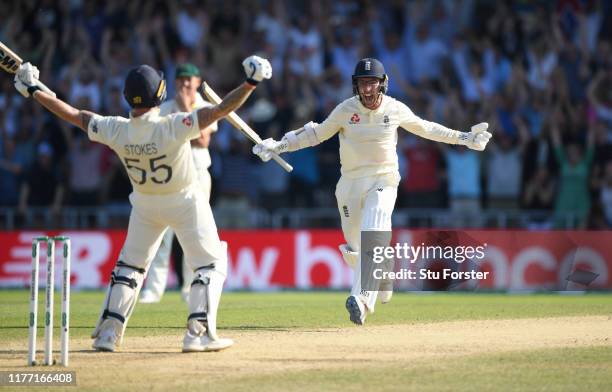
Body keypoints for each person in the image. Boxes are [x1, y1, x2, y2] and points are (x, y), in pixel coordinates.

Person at [14, 55, 272, 351]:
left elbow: (72, 114)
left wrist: (34, 89)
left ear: (127, 96)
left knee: (130, 268)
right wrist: (251, 83)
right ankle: (196, 334)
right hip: (185, 199)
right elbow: (221, 109)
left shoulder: (116, 128)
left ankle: (109, 334)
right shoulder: (173, 125)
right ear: (161, 94)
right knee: (210, 264)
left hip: (145, 205)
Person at [253, 58, 491, 325]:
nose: (367, 89)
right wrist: (278, 146)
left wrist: (465, 138)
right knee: (355, 247)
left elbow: (427, 128)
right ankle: (383, 269)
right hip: (350, 183)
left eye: (372, 83)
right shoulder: (345, 110)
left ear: (382, 84)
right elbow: (315, 134)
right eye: (362, 83)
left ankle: (362, 299)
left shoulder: (395, 108)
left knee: (374, 225)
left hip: (384, 177)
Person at [139, 63, 219, 304]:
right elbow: (161, 143)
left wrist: (185, 109)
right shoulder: (163, 109)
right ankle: (153, 290)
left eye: (189, 80)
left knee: (194, 234)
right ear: (175, 83)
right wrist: (184, 128)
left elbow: (203, 141)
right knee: (163, 235)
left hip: (197, 175)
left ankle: (189, 287)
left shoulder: (206, 107)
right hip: (170, 177)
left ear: (197, 82)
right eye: (181, 80)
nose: (185, 84)